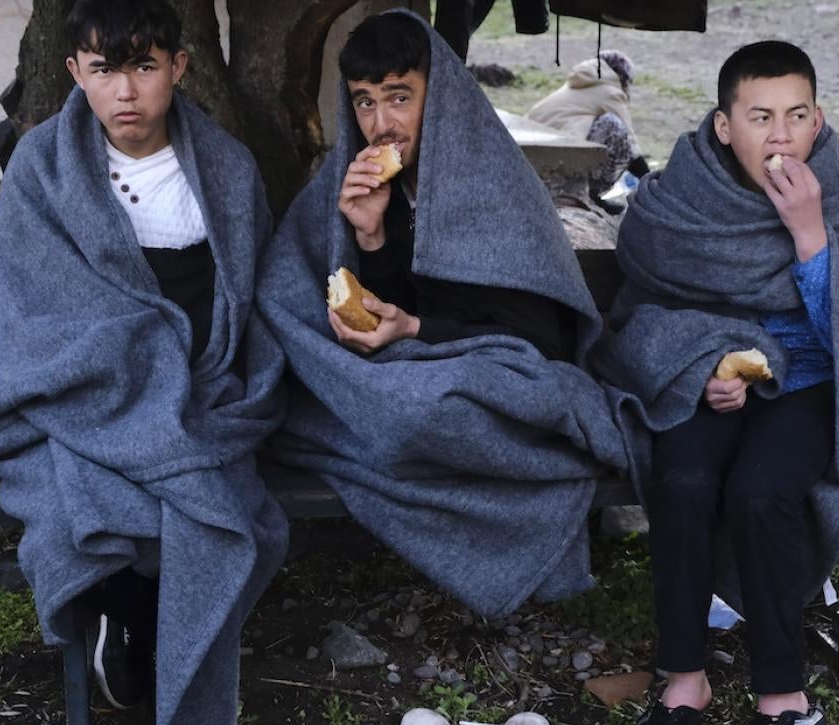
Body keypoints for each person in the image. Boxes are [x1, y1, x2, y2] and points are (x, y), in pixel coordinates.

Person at [0, 1, 287, 725]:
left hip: (197, 380)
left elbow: (245, 300)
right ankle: (125, 612)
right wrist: (114, 360)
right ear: (74, 72)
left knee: (210, 494)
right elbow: (22, 304)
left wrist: (184, 370)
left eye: (145, 67)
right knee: (77, 480)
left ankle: (144, 628)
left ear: (179, 68)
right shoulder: (44, 164)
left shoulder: (223, 167)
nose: (126, 92)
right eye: (104, 70)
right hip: (78, 381)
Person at [594, 41, 839, 725]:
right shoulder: (683, 193)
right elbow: (647, 299)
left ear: (817, 118)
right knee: (683, 479)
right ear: (725, 124)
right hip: (714, 376)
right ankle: (682, 681)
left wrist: (809, 232)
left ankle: (782, 694)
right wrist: (701, 364)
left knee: (762, 492)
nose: (781, 135)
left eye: (797, 116)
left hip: (807, 382)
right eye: (760, 116)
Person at [257, 10, 625, 627]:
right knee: (380, 405)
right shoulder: (357, 180)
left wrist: (412, 331)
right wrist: (370, 237)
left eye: (400, 97)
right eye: (365, 101)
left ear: (441, 96)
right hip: (414, 370)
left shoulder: (495, 184)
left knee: (418, 414)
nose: (381, 123)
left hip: (506, 369)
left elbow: (535, 339)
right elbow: (314, 288)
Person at [526, 50, 652, 204]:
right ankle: (591, 193)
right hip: (561, 164)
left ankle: (587, 193)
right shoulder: (610, 92)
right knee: (614, 126)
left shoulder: (578, 83)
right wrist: (649, 180)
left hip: (534, 161)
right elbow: (632, 148)